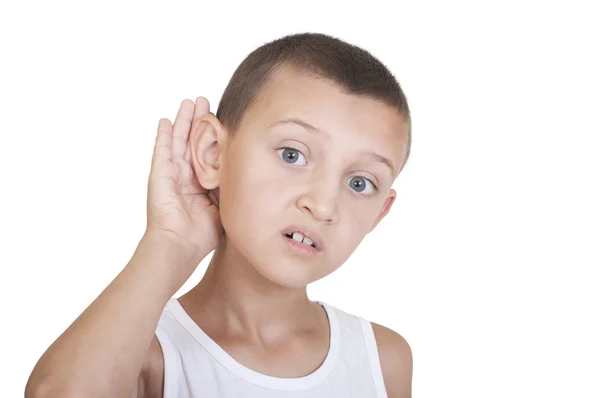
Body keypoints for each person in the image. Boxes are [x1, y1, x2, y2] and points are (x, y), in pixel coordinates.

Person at [26, 32, 413, 398]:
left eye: (360, 183)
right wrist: (169, 242)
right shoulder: (145, 357)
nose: (324, 205)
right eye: (291, 154)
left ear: (379, 214)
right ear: (213, 152)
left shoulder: (383, 359)